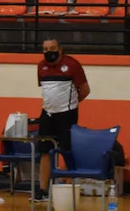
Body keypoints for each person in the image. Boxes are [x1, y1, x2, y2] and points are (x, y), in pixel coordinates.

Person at [35, 38, 90, 202]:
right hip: (47, 114)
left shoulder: (72, 65)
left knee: (67, 150)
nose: (49, 52)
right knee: (44, 151)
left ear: (60, 49)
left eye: (52, 48)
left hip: (67, 114)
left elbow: (85, 90)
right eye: (45, 49)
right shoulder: (41, 67)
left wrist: (70, 104)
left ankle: (69, 189)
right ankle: (43, 190)